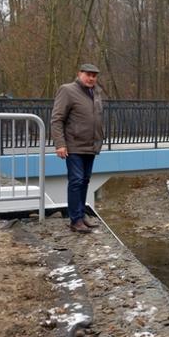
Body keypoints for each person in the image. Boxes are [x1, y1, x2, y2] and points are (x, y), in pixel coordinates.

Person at [51, 64, 105, 233]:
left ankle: (81, 216)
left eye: (94, 76)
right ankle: (75, 220)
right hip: (74, 145)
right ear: (79, 74)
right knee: (76, 180)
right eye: (88, 75)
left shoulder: (96, 92)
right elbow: (57, 119)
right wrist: (60, 144)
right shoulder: (67, 90)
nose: (91, 78)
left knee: (85, 180)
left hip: (91, 145)